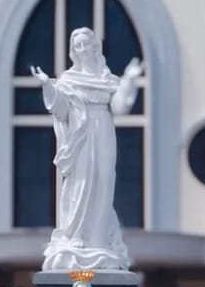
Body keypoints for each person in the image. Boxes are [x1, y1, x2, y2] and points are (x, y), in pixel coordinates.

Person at [32, 27, 142, 272]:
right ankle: (76, 237)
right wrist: (48, 87)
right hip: (79, 135)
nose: (83, 49)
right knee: (81, 183)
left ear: (95, 47)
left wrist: (130, 80)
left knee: (103, 181)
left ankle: (97, 240)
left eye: (87, 44)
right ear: (73, 50)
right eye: (78, 45)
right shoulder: (68, 80)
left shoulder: (106, 79)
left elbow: (121, 106)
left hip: (103, 129)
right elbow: (60, 109)